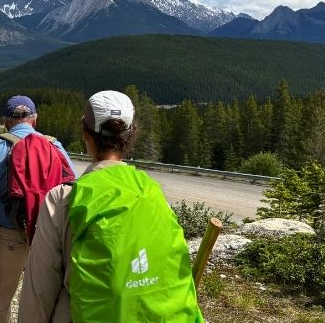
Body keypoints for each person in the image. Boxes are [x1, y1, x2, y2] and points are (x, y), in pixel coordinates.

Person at [18, 90, 203, 322]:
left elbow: (39, 291)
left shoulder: (63, 198)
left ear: (85, 132)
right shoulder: (151, 191)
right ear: (131, 134)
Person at [0, 95, 74, 323]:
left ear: (6, 121)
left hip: (9, 236)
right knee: (44, 302)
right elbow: (72, 190)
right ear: (35, 119)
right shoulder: (55, 146)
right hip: (48, 238)